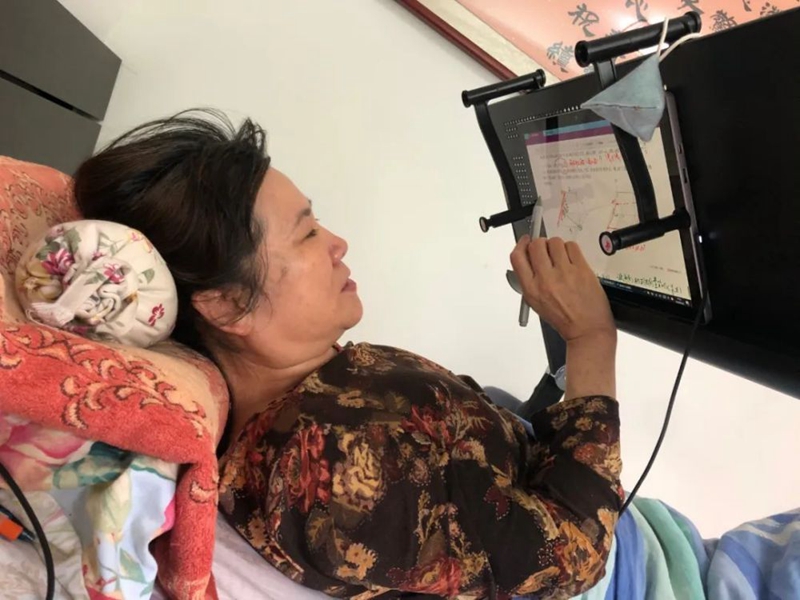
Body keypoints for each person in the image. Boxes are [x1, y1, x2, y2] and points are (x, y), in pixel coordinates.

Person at [74, 110, 622, 599]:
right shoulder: (329, 471)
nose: (337, 243)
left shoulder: (316, 385)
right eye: (307, 233)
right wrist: (590, 338)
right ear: (228, 305)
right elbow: (575, 556)